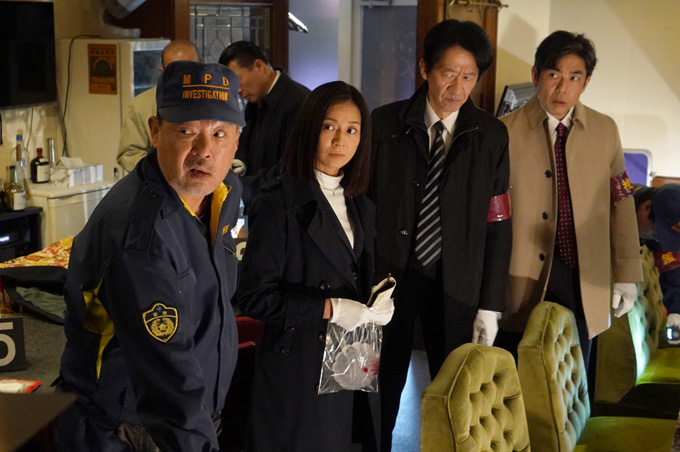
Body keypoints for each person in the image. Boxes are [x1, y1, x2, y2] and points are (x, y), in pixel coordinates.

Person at [55, 61, 246, 452]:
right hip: (133, 430)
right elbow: (167, 378)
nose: (205, 151)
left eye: (219, 133)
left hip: (194, 416)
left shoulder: (224, 192)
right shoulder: (139, 235)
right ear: (155, 132)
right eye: (186, 131)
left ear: (237, 140)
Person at [369, 19, 512, 450]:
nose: (458, 87)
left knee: (456, 395)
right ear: (424, 68)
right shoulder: (384, 124)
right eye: (449, 73)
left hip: (457, 283)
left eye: (469, 76)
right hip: (389, 278)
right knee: (380, 387)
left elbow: (498, 222)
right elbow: (364, 207)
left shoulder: (491, 135)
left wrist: (491, 303)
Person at [237, 81, 393, 452]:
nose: (341, 140)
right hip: (299, 366)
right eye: (329, 127)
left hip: (352, 359)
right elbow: (254, 297)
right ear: (310, 129)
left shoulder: (361, 204)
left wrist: (380, 301)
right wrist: (330, 308)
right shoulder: (278, 202)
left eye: (352, 130)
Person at [498, 31, 643, 367]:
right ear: (536, 76)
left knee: (574, 375)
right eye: (554, 75)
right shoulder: (503, 131)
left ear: (586, 82)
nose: (562, 88)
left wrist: (626, 273)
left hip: (584, 275)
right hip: (521, 275)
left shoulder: (605, 130)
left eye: (574, 77)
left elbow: (621, 202)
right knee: (518, 370)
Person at [219, 41, 310, 205]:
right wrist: (238, 164)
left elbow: (293, 167)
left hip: (284, 205)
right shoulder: (255, 101)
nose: (237, 90)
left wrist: (243, 187)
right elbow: (245, 146)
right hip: (258, 202)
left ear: (259, 66)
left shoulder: (300, 101)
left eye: (238, 80)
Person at [117, 39, 201, 172]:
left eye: (191, 69)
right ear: (163, 72)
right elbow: (129, 154)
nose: (185, 77)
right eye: (176, 71)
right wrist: (160, 171)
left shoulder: (217, 101)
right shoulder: (142, 105)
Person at [634, 183, 680, 343]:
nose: (657, 239)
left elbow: (671, 268)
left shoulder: (656, 220)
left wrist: (676, 311)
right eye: (656, 232)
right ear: (647, 207)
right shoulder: (613, 209)